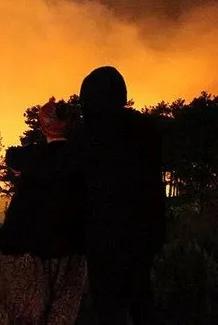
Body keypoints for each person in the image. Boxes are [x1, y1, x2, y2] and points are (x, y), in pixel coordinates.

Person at [78, 66, 166, 325]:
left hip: (105, 236)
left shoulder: (93, 133)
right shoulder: (146, 128)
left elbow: (62, 162)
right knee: (141, 297)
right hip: (146, 232)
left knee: (108, 306)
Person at [0, 98, 87, 325]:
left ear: (43, 126)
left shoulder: (29, 157)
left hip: (23, 249)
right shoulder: (83, 157)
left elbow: (12, 156)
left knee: (26, 318)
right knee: (61, 316)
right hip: (69, 248)